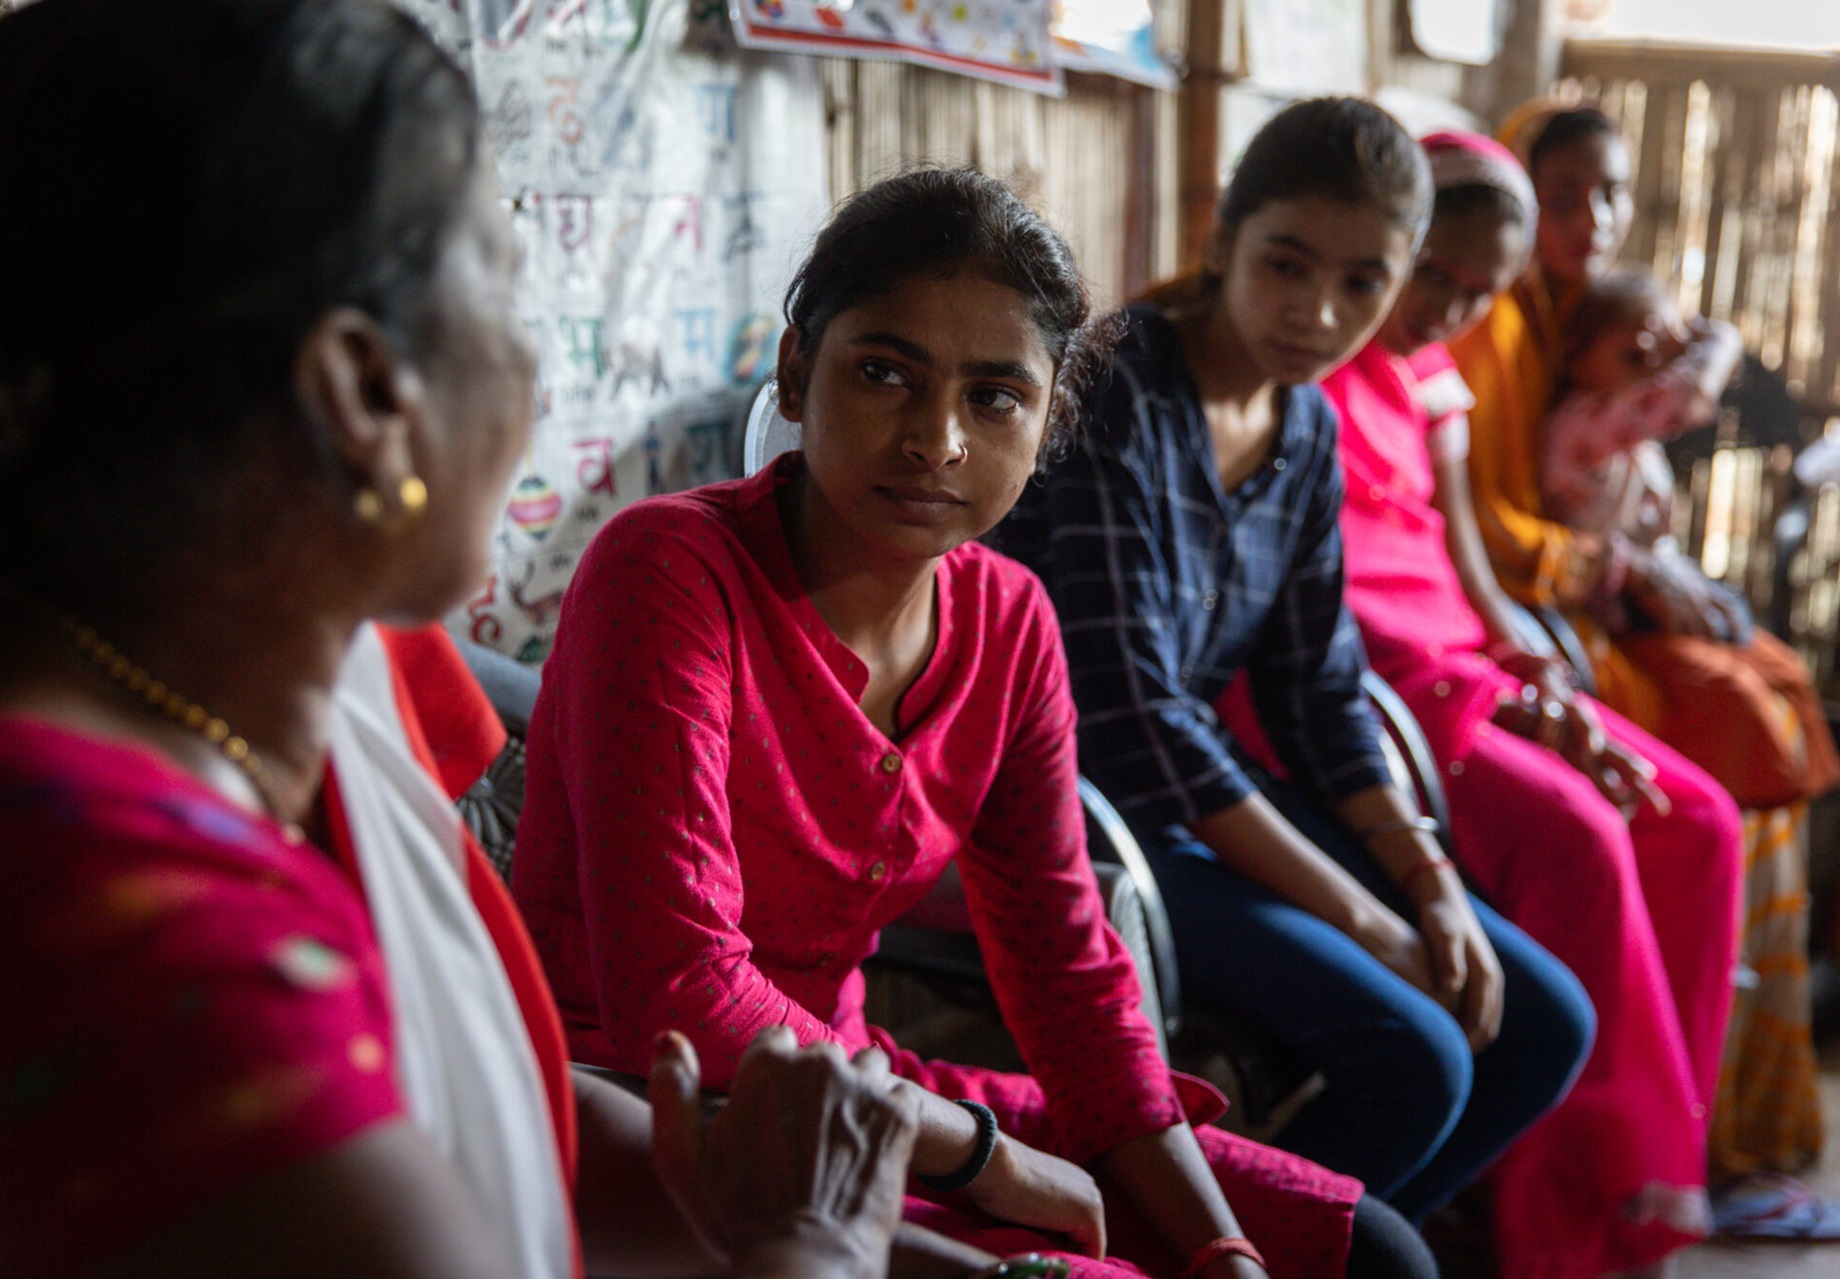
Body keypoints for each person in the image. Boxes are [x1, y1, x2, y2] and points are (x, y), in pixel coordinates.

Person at [0, 3, 930, 1278]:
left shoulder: (316, 669)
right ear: (365, 397)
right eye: (506, 292)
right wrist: (817, 1247)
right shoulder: (105, 924)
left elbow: (502, 1111)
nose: (538, 380)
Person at [514, 165, 1439, 1279]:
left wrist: (1222, 1248)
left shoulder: (1009, 624)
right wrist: (988, 1161)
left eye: (995, 396)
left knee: (1370, 1252)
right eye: (885, 375)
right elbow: (681, 985)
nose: (937, 440)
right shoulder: (668, 570)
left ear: (1049, 425)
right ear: (798, 371)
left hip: (868, 1096)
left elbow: (1068, 974)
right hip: (641, 1116)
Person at [990, 97, 1591, 1236]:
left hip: (1197, 809)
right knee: (1416, 1054)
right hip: (1071, 818)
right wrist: (1372, 924)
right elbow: (1132, 721)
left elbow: (1317, 690)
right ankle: (1209, 1251)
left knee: (1543, 1023)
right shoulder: (1115, 390)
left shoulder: (1305, 428)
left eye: (1364, 282)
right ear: (1223, 241)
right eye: (1287, 263)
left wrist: (1427, 884)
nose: (1318, 311)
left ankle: (1308, 1249)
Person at [1322, 128, 1746, 1279]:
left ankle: (1647, 1178)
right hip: (1377, 678)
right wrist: (1481, 692)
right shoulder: (1309, 353)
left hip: (1463, 649)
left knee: (1696, 820)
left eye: (1479, 289)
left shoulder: (1431, 367)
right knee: (1583, 839)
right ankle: (1548, 1222)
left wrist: (1528, 661)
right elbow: (1312, 602)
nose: (1447, 308)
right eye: (1432, 276)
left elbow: (1457, 551)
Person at [1449, 98, 1840, 1192]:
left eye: (1608, 194)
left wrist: (1707, 350)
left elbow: (1717, 393)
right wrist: (1621, 570)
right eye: (1562, 196)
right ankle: (1683, 1133)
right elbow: (1490, 531)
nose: (1592, 219)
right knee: (1741, 726)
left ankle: (1730, 1110)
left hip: (1578, 596)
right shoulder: (1498, 326)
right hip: (1540, 611)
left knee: (1776, 683)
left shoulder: (1586, 307)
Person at [1539, 269, 1744, 637]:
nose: (1652, 377)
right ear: (1577, 352)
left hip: (1646, 570)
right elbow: (1690, 399)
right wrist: (1722, 342)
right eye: (1634, 357)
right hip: (1615, 591)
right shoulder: (1588, 419)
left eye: (1661, 361)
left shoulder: (1619, 408)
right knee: (1729, 641)